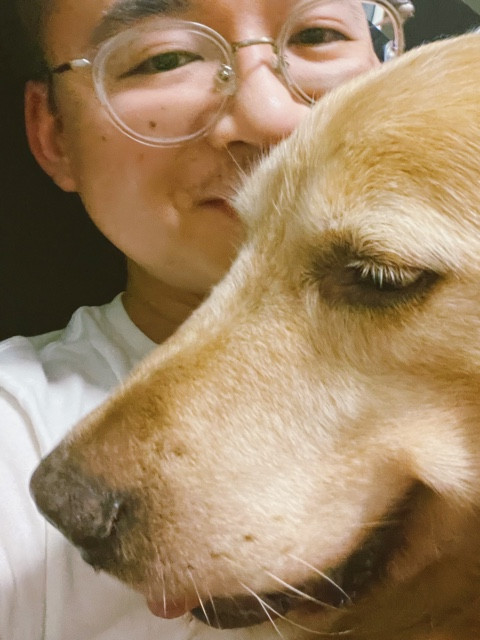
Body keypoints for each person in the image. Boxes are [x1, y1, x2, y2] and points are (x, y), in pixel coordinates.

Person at [0, 0, 413, 638]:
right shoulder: (18, 432)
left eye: (317, 33)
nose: (274, 118)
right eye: (164, 58)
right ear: (54, 133)